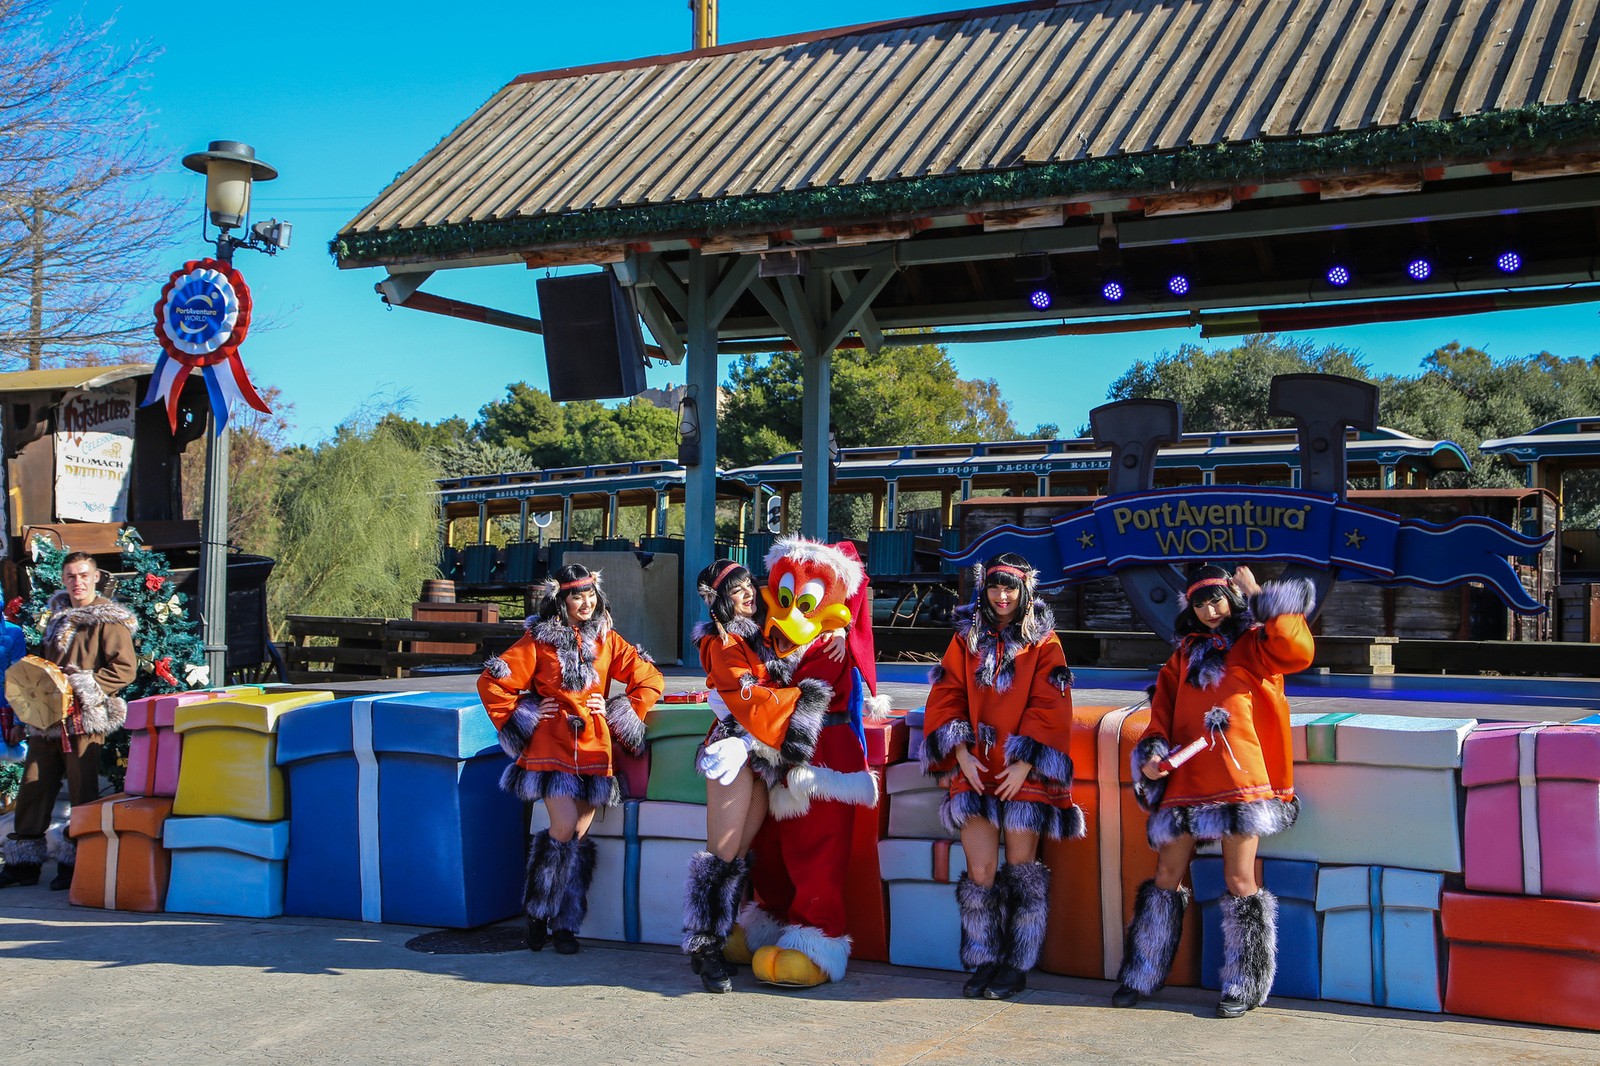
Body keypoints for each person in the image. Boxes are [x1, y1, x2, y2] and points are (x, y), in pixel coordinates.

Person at [1112, 563, 1315, 1018]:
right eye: (1200, 602)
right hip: (1185, 780)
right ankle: (1140, 973)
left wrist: (1262, 594)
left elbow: (1298, 649)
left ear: (1233, 596)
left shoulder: (1258, 642)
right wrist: (1151, 752)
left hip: (1240, 782)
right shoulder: (1181, 656)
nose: (1209, 610)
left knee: (1240, 880)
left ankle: (1245, 985)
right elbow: (1161, 712)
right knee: (1166, 876)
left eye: (1217, 598)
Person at [478, 563, 663, 955]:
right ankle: (538, 912)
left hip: (595, 751)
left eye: (590, 594)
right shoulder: (538, 640)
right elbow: (493, 680)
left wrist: (618, 705)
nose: (586, 602)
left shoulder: (608, 639)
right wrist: (528, 709)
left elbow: (650, 678)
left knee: (577, 838)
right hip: (552, 748)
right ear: (560, 600)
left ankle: (566, 924)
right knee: (562, 828)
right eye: (576, 595)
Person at [921, 552, 1081, 1000]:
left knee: (1021, 868)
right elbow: (947, 693)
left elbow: (1052, 703)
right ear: (983, 589)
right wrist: (961, 753)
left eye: (1010, 587)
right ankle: (984, 958)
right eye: (995, 587)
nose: (1003, 596)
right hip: (976, 767)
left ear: (1025, 589)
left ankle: (1017, 963)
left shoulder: (1044, 641)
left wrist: (1026, 760)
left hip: (1019, 771)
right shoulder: (965, 638)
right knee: (980, 869)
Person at [679, 558, 833, 993]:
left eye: (749, 586)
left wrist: (834, 631)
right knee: (722, 851)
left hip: (757, 748)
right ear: (717, 602)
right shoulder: (719, 641)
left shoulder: (759, 629)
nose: (748, 595)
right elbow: (753, 699)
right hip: (732, 746)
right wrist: (797, 700)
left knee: (742, 848)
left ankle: (720, 937)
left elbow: (798, 642)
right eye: (736, 591)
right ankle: (703, 946)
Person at [1, 552, 137, 890]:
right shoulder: (58, 617)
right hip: (46, 720)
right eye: (71, 576)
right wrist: (24, 714)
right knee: (33, 785)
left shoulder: (108, 621)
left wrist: (81, 687)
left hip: (82, 721)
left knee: (83, 793)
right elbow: (43, 671)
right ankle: (23, 864)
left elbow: (124, 668)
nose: (77, 582)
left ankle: (75, 863)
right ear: (63, 580)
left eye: (83, 575)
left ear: (94, 578)